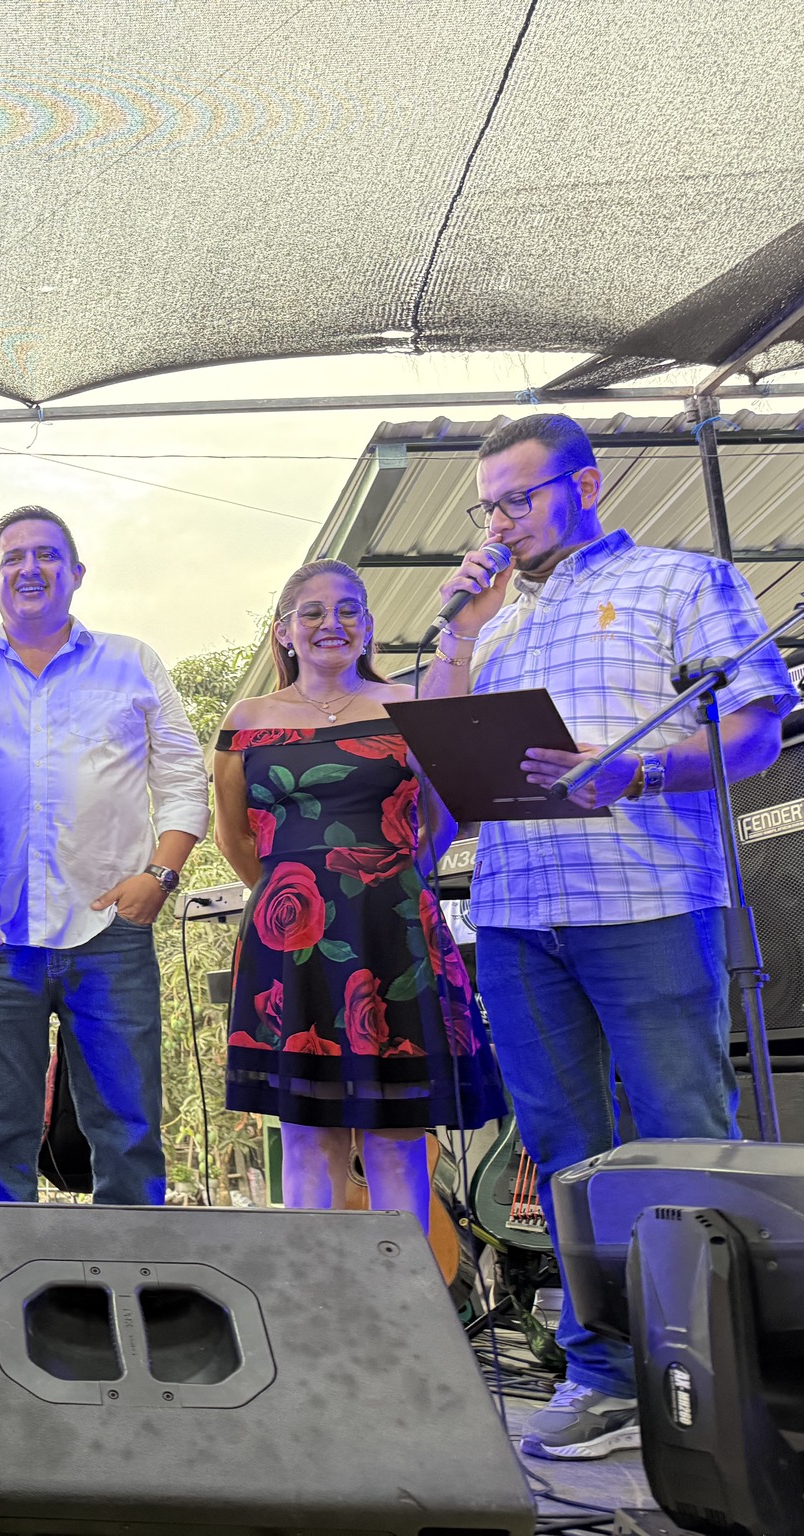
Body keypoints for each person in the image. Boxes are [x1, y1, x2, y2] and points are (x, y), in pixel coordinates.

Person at [426, 413, 797, 1459]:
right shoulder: (497, 625)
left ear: (584, 485)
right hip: (514, 912)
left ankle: (719, 1374)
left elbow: (757, 732)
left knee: (683, 1135)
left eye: (517, 498)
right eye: (487, 507)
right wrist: (455, 633)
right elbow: (441, 750)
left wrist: (639, 770)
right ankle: (602, 1375)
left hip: (646, 899)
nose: (499, 523)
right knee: (562, 1155)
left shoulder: (682, 581)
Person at [0, 506, 208, 1206]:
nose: (30, 568)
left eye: (46, 555)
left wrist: (160, 876)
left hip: (111, 937)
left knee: (128, 1133)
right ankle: (4, 1276)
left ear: (76, 573)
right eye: (13, 558)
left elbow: (184, 780)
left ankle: (131, 1275)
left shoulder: (133, 664)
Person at [212, 560, 503, 1229]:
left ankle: (403, 1294)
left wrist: (381, 883)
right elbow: (234, 836)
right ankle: (317, 1294)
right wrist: (296, 896)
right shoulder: (246, 719)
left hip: (391, 933)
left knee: (396, 1136)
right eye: (312, 612)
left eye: (348, 610)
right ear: (284, 631)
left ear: (369, 626)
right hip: (290, 946)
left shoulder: (408, 704)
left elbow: (440, 820)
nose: (331, 623)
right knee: (307, 1137)